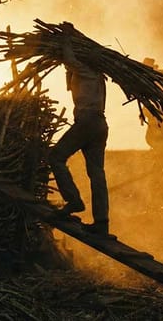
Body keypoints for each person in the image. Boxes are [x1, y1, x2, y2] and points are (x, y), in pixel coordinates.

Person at [48, 31, 111, 236]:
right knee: (97, 174)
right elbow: (70, 76)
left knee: (56, 157)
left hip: (87, 123)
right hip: (100, 125)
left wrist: (66, 40)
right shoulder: (99, 76)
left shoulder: (86, 70)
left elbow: (69, 59)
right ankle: (102, 222)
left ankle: (73, 201)